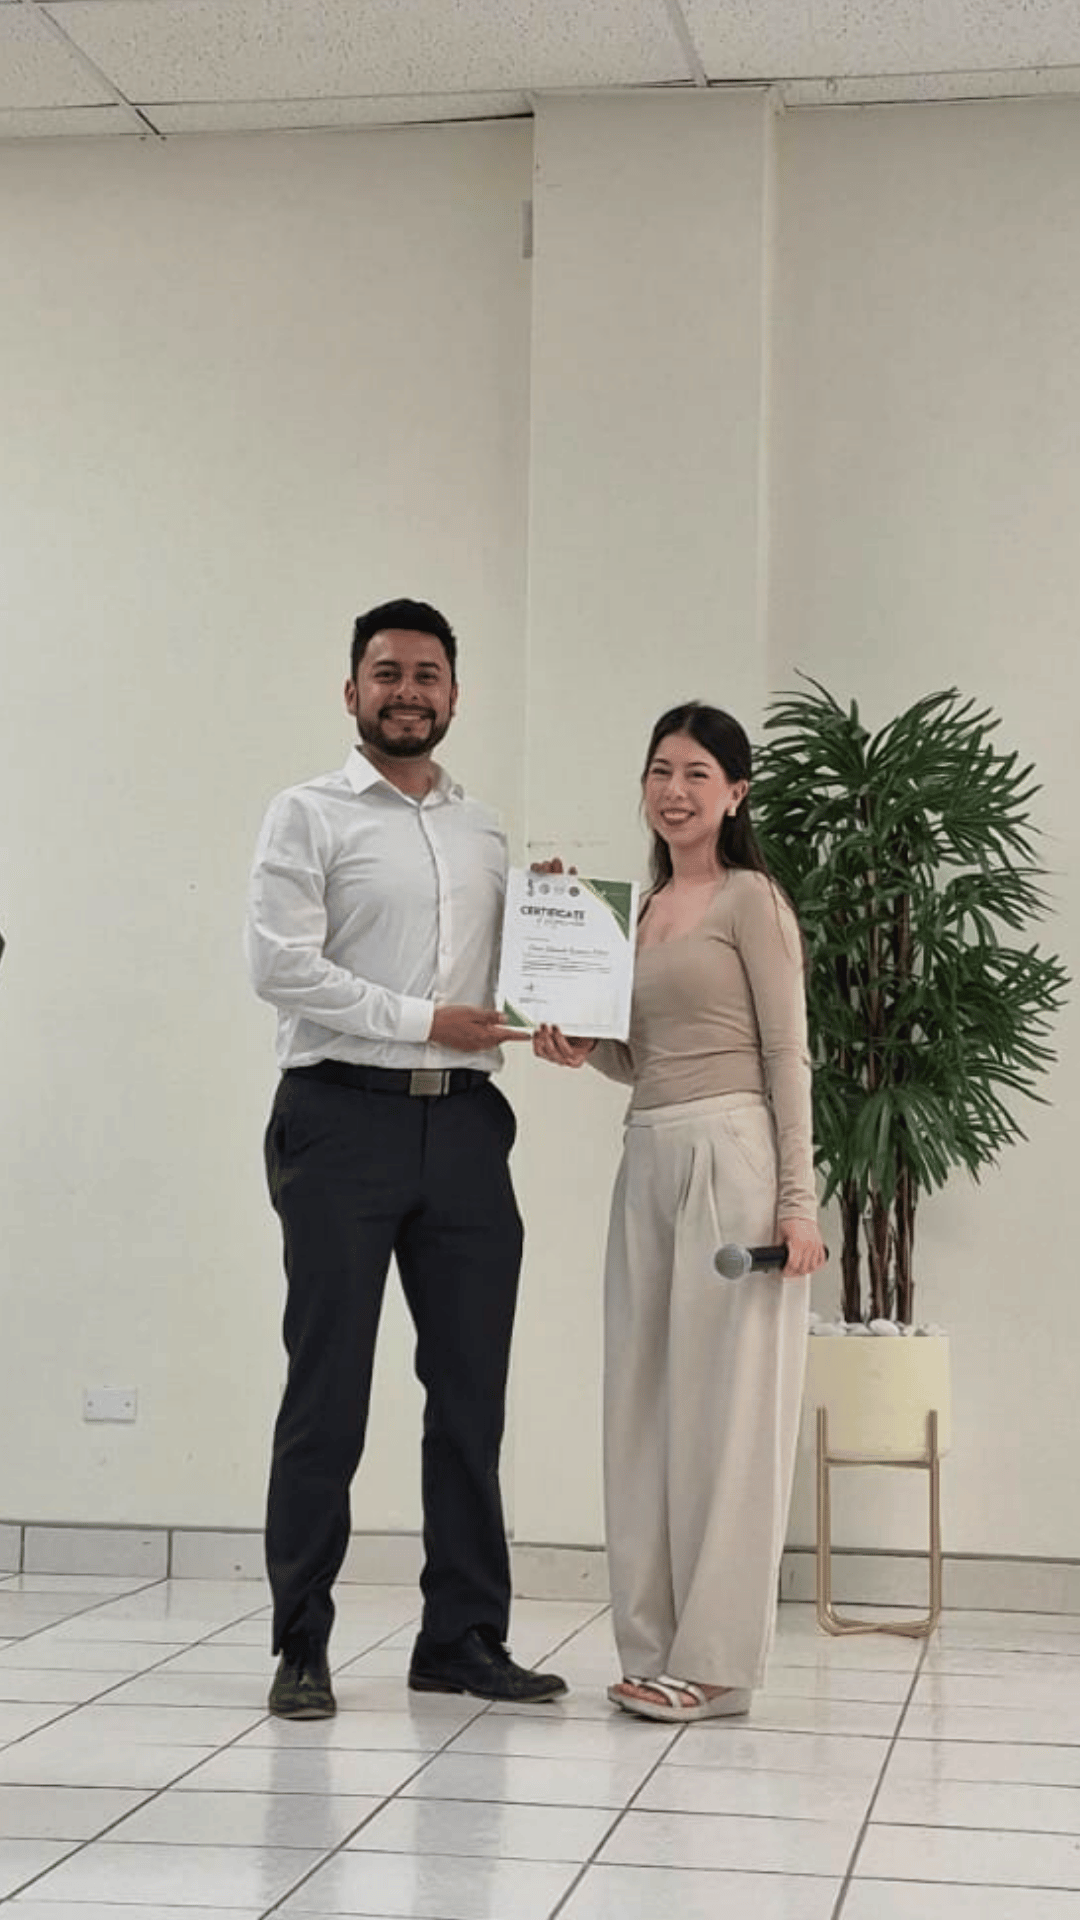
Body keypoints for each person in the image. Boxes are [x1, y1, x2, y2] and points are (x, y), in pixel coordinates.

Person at [245, 598, 566, 1718]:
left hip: (468, 1129)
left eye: (427, 675)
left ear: (454, 695)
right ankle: (301, 1644)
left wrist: (560, 952)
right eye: (387, 673)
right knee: (327, 1391)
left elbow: (506, 982)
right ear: (352, 691)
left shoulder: (485, 833)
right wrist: (427, 1021)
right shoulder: (307, 815)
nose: (408, 692)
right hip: (340, 1119)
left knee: (471, 1393)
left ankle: (462, 1638)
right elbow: (280, 969)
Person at [534, 701, 826, 1724]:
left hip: (731, 1156)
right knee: (643, 1408)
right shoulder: (641, 910)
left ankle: (717, 1664)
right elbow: (638, 1056)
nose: (675, 790)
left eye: (698, 773)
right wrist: (580, 1047)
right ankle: (652, 1646)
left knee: (727, 1419)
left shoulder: (751, 900)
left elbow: (787, 1053)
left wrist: (798, 1203)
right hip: (649, 1153)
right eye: (661, 770)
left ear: (736, 793)